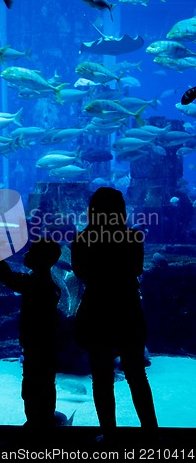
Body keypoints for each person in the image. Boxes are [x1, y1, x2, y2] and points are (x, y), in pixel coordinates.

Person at [71, 187, 158, 439]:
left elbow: (80, 273)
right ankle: (151, 433)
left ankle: (109, 434)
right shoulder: (133, 238)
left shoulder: (82, 240)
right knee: (136, 375)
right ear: (120, 211)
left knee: (101, 376)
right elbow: (136, 269)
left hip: (96, 308)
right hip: (127, 308)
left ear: (92, 211)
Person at [0, 237, 61, 428]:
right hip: (46, 344)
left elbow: (7, 277)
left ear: (42, 258)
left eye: (32, 251)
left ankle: (37, 422)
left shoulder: (34, 284)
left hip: (36, 344)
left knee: (33, 384)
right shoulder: (49, 285)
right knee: (45, 383)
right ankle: (45, 419)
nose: (27, 254)